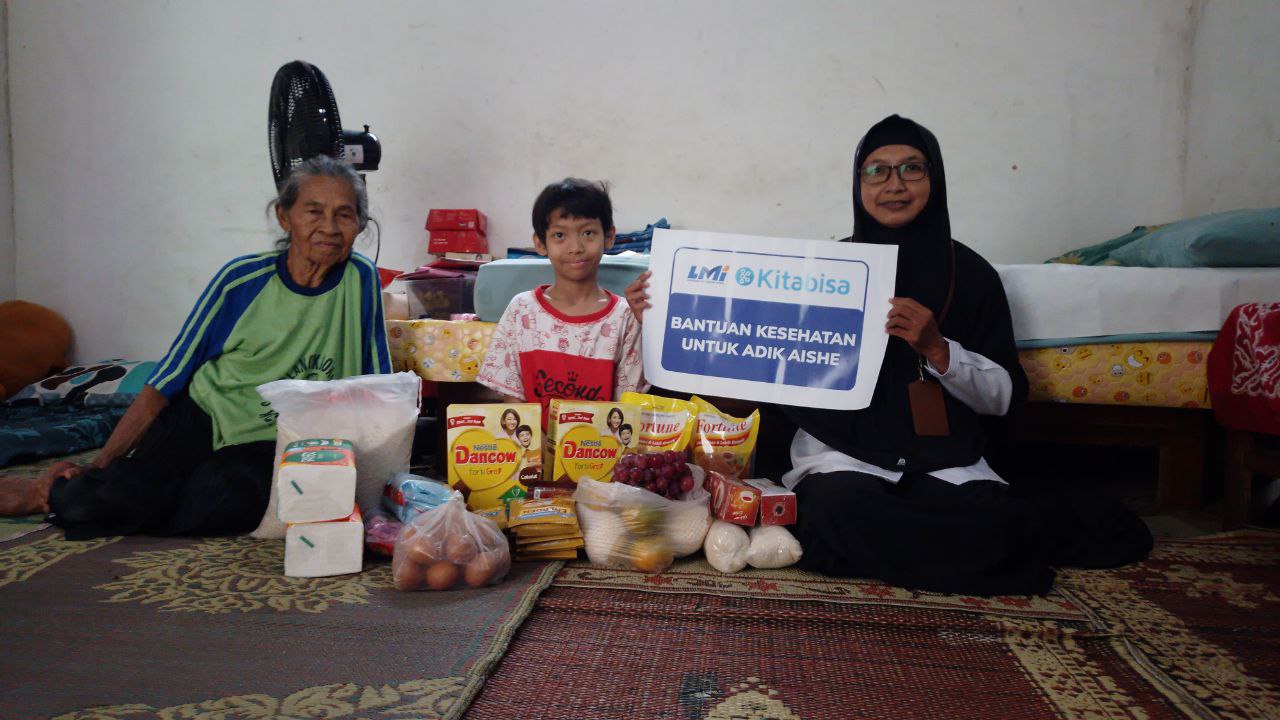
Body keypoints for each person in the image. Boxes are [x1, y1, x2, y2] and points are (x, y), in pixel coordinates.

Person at [625, 115, 1151, 595]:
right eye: (876, 171)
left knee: (989, 516)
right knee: (837, 511)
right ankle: (976, 559)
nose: (893, 184)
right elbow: (750, 362)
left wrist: (937, 348)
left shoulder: (970, 276)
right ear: (858, 186)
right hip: (842, 455)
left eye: (910, 169)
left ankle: (935, 550)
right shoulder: (826, 271)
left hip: (943, 458)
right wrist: (662, 314)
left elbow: (1004, 399)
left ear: (935, 179)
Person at [0, 154, 391, 539]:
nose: (329, 227)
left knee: (229, 496)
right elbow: (167, 379)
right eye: (313, 212)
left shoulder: (360, 280)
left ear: (359, 225)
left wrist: (380, 484)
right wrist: (102, 464)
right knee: (118, 491)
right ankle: (48, 492)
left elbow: (378, 382)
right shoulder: (241, 281)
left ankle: (134, 498)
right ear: (284, 217)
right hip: (204, 416)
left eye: (344, 214)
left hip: (273, 440)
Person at [477, 178, 646, 418]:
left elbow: (626, 409)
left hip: (601, 452)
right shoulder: (522, 310)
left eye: (588, 232)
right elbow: (513, 405)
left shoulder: (626, 317)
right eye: (559, 235)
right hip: (533, 450)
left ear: (609, 237)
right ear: (540, 243)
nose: (575, 247)